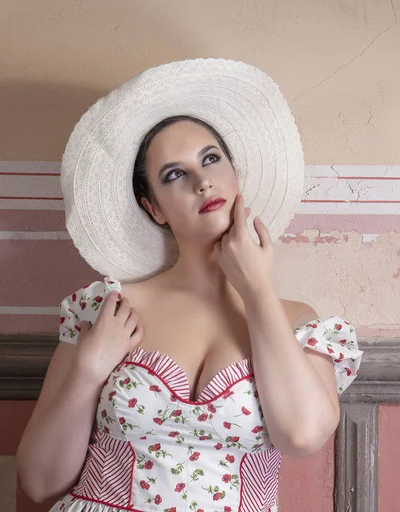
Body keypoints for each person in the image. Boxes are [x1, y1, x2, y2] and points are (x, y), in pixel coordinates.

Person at [16, 58, 363, 512]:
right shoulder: (107, 310)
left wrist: (257, 288)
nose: (203, 182)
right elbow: (39, 482)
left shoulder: (299, 323)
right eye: (174, 175)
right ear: (155, 208)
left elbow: (302, 436)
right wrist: (88, 369)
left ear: (235, 175)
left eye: (211, 159)